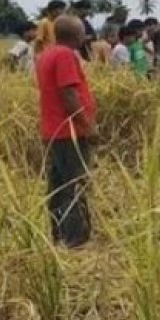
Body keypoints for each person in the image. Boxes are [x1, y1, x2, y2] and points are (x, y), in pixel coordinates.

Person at [35, 15, 97, 248]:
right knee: (75, 183)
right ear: (76, 35)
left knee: (58, 186)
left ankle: (58, 234)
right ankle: (76, 239)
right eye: (82, 32)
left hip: (53, 130)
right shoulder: (65, 55)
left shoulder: (47, 53)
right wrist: (87, 126)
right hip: (69, 132)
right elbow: (69, 94)